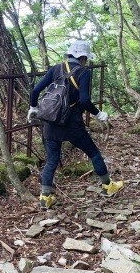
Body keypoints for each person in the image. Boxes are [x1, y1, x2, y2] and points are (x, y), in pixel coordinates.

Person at [27, 40, 124, 210]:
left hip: (50, 122)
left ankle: (45, 197)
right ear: (83, 57)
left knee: (52, 161)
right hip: (72, 125)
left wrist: (33, 108)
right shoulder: (83, 72)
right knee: (93, 153)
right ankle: (108, 186)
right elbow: (84, 100)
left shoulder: (56, 68)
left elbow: (35, 91)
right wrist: (99, 114)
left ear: (70, 54)